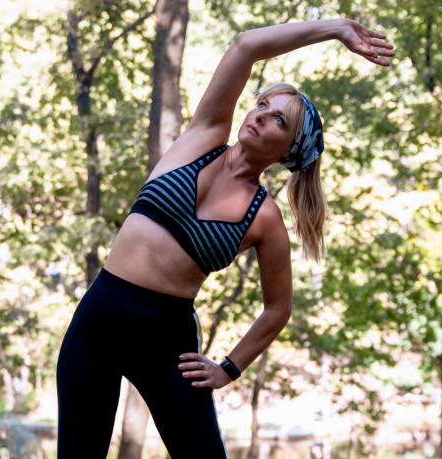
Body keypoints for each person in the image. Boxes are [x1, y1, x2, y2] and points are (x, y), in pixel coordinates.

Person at [56, 17, 394, 458]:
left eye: (279, 120)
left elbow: (278, 308)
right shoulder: (203, 136)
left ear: (288, 151)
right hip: (96, 326)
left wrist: (229, 368)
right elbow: (245, 45)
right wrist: (334, 30)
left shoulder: (265, 218)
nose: (259, 116)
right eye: (262, 104)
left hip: (167, 345)